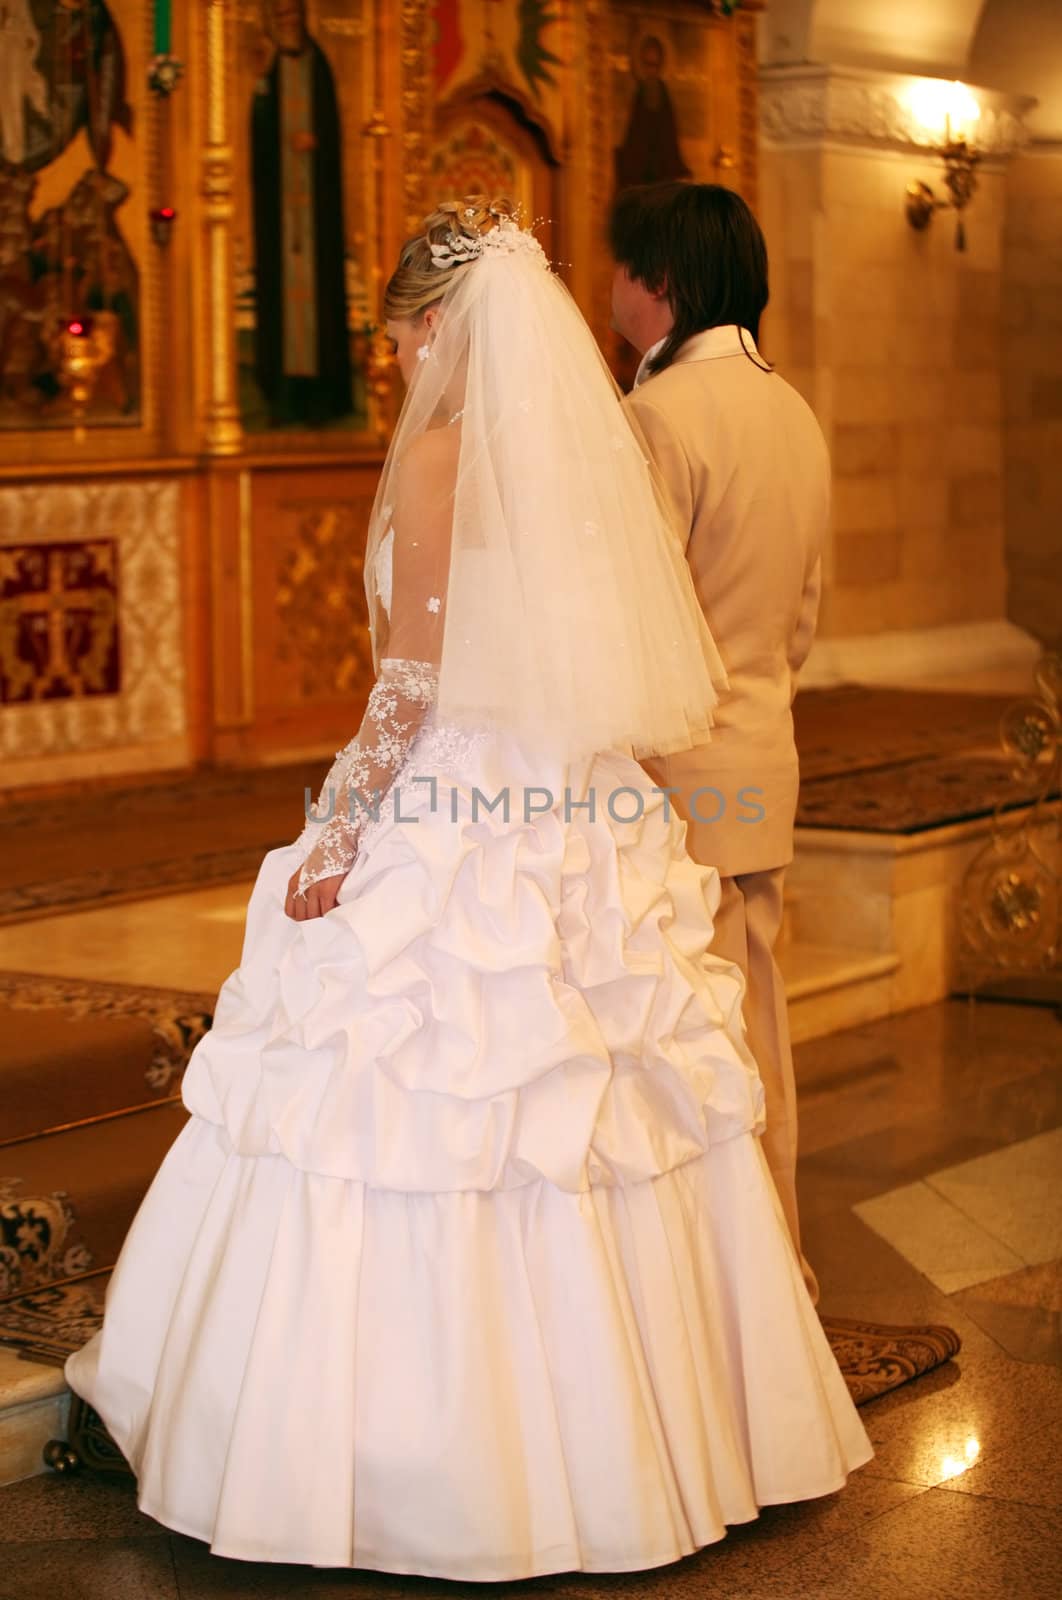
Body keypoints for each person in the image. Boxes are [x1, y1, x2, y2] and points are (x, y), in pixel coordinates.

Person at [65, 196, 870, 1579]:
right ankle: (656, 1433)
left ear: (437, 326)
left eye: (401, 340)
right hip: (567, 789)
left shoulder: (442, 457)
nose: (398, 367)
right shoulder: (578, 454)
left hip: (458, 796)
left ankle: (417, 1457)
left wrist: (336, 834)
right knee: (591, 1103)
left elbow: (414, 683)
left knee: (431, 1097)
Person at [610, 180, 828, 1304]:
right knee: (757, 1026)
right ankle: (776, 1266)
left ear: (664, 284)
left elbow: (641, 623)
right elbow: (802, 616)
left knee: (693, 1044)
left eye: (620, 271)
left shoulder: (660, 416)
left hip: (677, 776)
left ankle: (726, 1295)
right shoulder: (790, 407)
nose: (606, 294)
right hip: (763, 755)